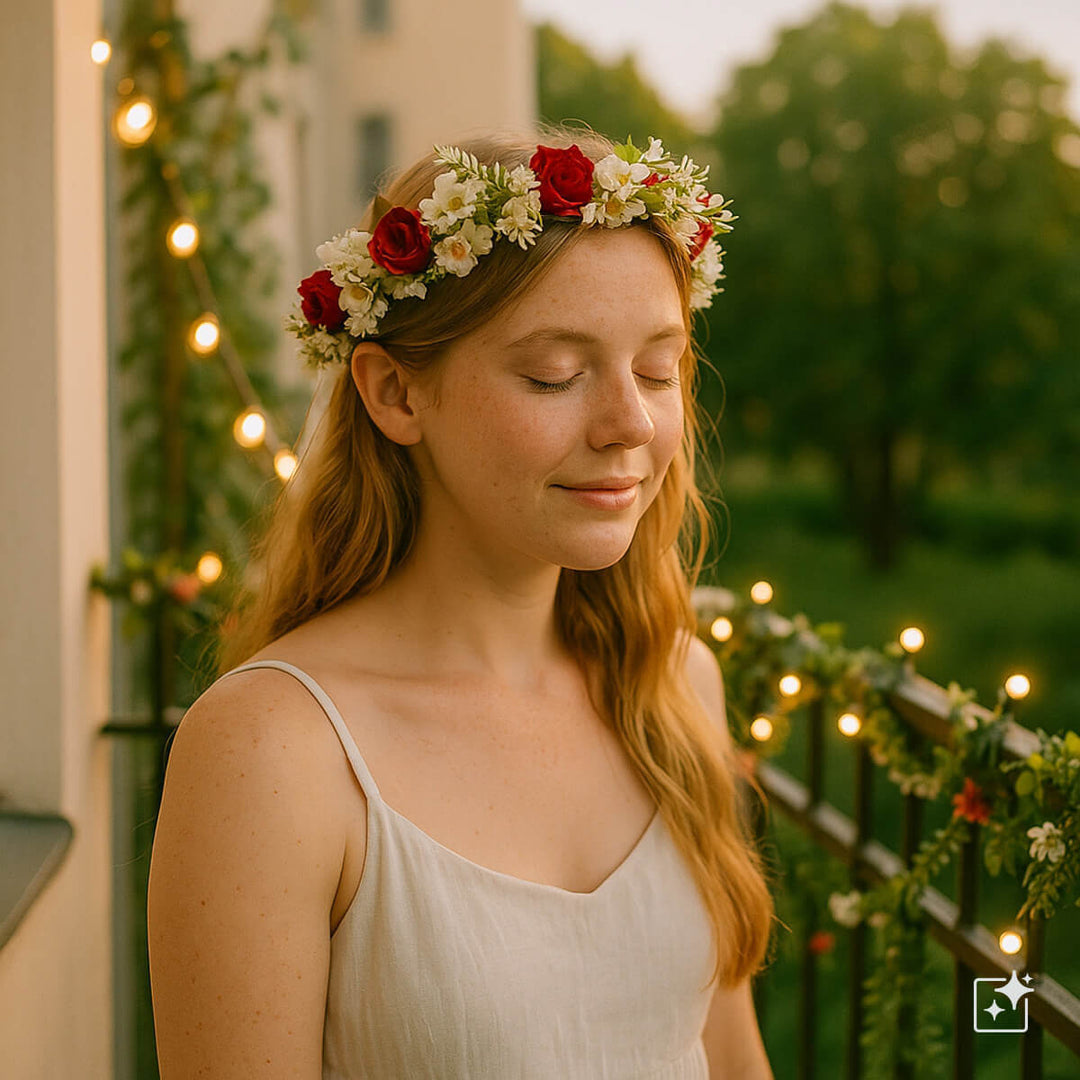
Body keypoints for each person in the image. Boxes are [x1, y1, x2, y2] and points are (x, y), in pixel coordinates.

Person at [147, 123, 778, 1079]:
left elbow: (727, 1057)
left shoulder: (675, 682)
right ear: (396, 392)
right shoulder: (273, 751)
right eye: (554, 374)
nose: (631, 424)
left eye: (658, 369)